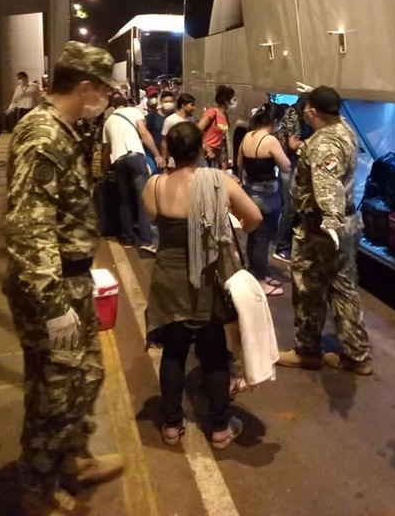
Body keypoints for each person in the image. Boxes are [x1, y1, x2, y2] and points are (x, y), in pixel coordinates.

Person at [3, 41, 124, 516]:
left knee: (86, 376)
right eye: (105, 89)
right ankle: (37, 486)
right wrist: (53, 307)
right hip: (51, 291)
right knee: (54, 391)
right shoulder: (44, 137)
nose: (108, 97)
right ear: (86, 87)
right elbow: (28, 228)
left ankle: (74, 457)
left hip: (72, 280)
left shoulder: (64, 130)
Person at [142, 122, 262, 449]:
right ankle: (220, 428)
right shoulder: (218, 183)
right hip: (208, 278)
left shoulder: (154, 185)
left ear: (169, 151)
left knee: (174, 351)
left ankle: (170, 425)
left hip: (169, 278)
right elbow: (254, 219)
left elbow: (154, 219)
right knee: (213, 353)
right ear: (201, 150)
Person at [277, 86, 372, 376]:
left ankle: (307, 350)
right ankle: (357, 356)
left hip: (320, 230)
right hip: (348, 224)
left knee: (308, 289)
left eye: (306, 105)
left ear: (311, 112)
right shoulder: (343, 128)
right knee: (344, 289)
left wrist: (329, 219)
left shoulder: (323, 145)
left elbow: (327, 185)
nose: (303, 110)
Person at [237, 102, 291, 297]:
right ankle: (261, 281)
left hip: (250, 191)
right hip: (268, 195)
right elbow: (285, 166)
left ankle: (257, 273)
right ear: (274, 121)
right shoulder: (269, 140)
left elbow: (239, 164)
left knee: (254, 234)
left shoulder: (247, 137)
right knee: (263, 238)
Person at [102, 92, 165, 252]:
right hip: (136, 156)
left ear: (112, 106)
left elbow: (105, 150)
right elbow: (144, 134)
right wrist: (157, 154)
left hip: (118, 160)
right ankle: (146, 241)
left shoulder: (108, 121)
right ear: (126, 103)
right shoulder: (134, 112)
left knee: (124, 200)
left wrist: (105, 170)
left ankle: (127, 238)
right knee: (142, 199)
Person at [273, 97, 312, 263]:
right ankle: (281, 248)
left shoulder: (295, 114)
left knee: (290, 207)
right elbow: (294, 144)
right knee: (289, 208)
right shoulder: (293, 115)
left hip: (292, 165)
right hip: (288, 166)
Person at [197, 85, 237, 169]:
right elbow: (196, 131)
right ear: (226, 101)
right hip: (206, 154)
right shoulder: (212, 113)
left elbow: (223, 138)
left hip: (217, 153)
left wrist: (223, 159)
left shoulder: (225, 115)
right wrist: (207, 149)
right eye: (233, 99)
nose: (235, 101)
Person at [161, 92, 196, 161]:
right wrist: (164, 159)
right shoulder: (170, 120)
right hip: (174, 161)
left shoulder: (192, 120)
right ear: (183, 105)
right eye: (191, 105)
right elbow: (164, 141)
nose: (193, 108)